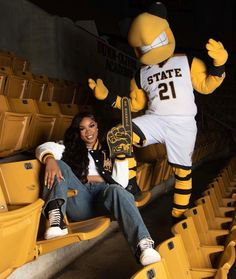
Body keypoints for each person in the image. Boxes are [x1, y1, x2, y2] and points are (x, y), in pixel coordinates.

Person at [88, 2, 228, 220]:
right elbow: (133, 105)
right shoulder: (140, 74)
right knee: (118, 135)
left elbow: (206, 86)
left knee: (183, 172)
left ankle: (178, 215)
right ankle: (131, 185)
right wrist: (108, 97)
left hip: (183, 123)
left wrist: (219, 65)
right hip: (155, 119)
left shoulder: (187, 61)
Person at [35, 112, 161, 266]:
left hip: (104, 198)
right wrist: (49, 159)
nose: (88, 132)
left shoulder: (109, 149)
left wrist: (120, 157)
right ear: (78, 132)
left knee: (115, 189)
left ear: (97, 126)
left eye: (91, 126)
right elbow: (44, 147)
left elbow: (120, 183)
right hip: (80, 201)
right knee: (59, 165)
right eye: (82, 129)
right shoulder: (70, 148)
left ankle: (143, 245)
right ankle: (56, 221)